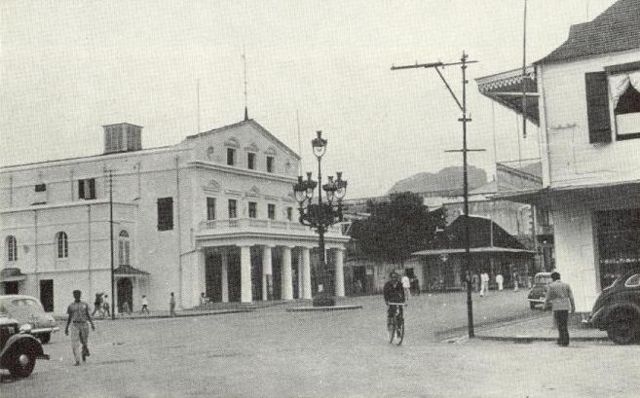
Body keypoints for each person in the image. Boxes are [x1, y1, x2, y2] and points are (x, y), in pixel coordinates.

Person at [544, 272, 575, 346]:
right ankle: (566, 340)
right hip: (565, 307)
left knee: (559, 324)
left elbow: (547, 298)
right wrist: (573, 306)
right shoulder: (566, 285)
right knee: (564, 324)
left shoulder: (551, 286)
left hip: (557, 308)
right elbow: (571, 297)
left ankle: (561, 340)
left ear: (553, 278)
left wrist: (544, 306)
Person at [65, 290, 95, 366]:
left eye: (78, 294)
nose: (77, 296)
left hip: (84, 324)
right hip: (75, 325)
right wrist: (66, 327)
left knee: (84, 342)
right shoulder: (71, 306)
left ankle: (84, 352)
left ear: (80, 295)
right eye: (75, 294)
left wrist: (92, 324)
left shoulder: (84, 304)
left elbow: (88, 315)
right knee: (74, 343)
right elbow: (69, 317)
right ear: (73, 295)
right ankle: (77, 360)